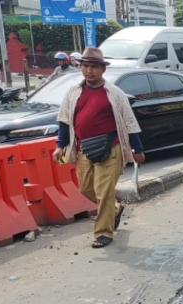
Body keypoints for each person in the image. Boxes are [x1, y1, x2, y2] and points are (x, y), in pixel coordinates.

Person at [53, 47, 146, 249]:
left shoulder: (114, 93)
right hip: (83, 148)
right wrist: (60, 145)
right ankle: (114, 208)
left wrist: (137, 150)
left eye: (94, 67)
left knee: (104, 192)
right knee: (86, 188)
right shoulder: (73, 91)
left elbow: (130, 122)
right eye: (85, 66)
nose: (89, 71)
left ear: (102, 69)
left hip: (110, 148)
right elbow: (64, 120)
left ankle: (104, 232)